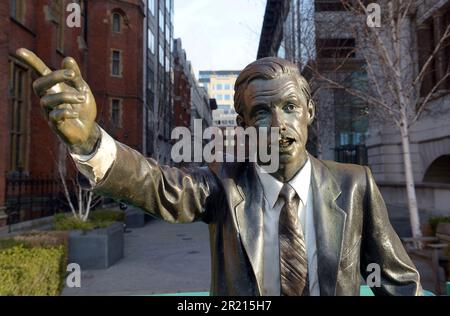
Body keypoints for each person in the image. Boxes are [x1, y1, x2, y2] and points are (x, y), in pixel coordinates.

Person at [16, 48, 422, 296]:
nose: (279, 124)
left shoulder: (355, 186)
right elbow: (154, 184)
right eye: (262, 112)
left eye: (290, 107)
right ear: (244, 126)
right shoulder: (223, 187)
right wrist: (89, 140)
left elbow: (400, 283)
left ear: (310, 112)